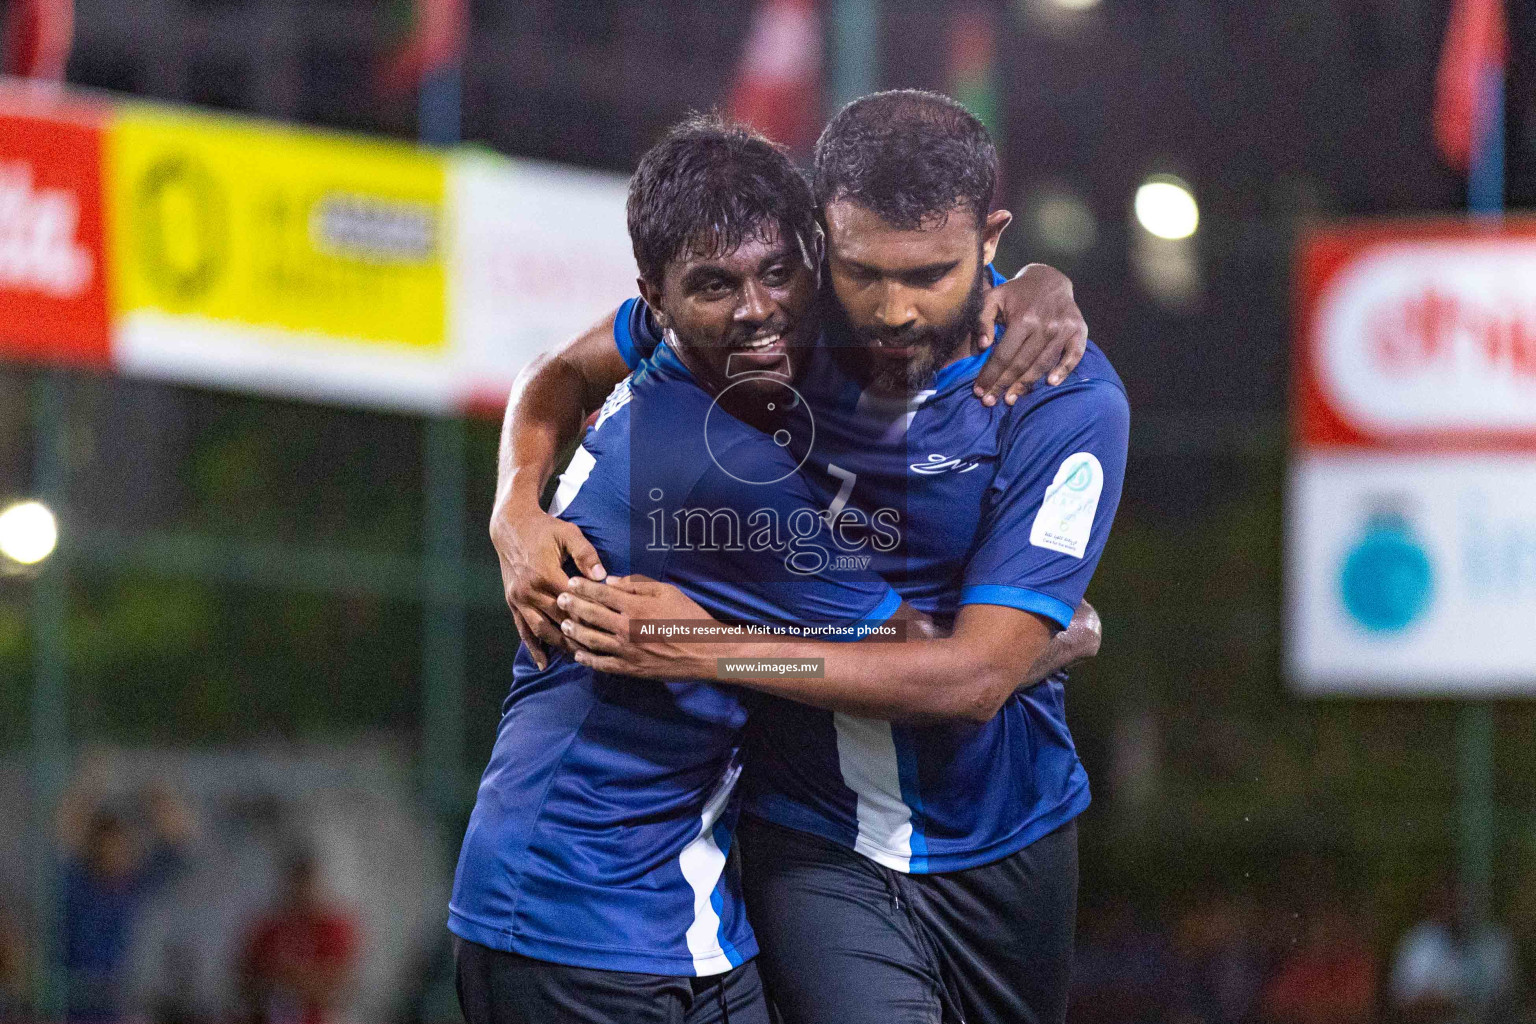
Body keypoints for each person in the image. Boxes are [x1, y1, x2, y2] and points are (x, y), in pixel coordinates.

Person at [450, 115, 1099, 1024]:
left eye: (776, 274)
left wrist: (514, 503)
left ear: (808, 256)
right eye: (713, 286)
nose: (755, 310)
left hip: (679, 904)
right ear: (658, 301)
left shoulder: (718, 370)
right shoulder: (715, 470)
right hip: (576, 917)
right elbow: (940, 667)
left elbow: (556, 369)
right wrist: (1059, 636)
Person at [57, 784, 194, 1024]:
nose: (116, 852)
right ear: (94, 848)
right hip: (77, 1004)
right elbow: (62, 831)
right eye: (107, 845)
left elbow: (180, 845)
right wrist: (91, 783)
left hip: (126, 1003)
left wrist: (158, 798)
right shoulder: (78, 886)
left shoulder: (138, 885)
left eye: (122, 845)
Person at [238, 853, 358, 1024]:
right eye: (295, 883)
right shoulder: (266, 930)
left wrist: (283, 976)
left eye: (305, 884)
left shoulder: (333, 929)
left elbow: (339, 988)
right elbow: (244, 983)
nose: (300, 891)